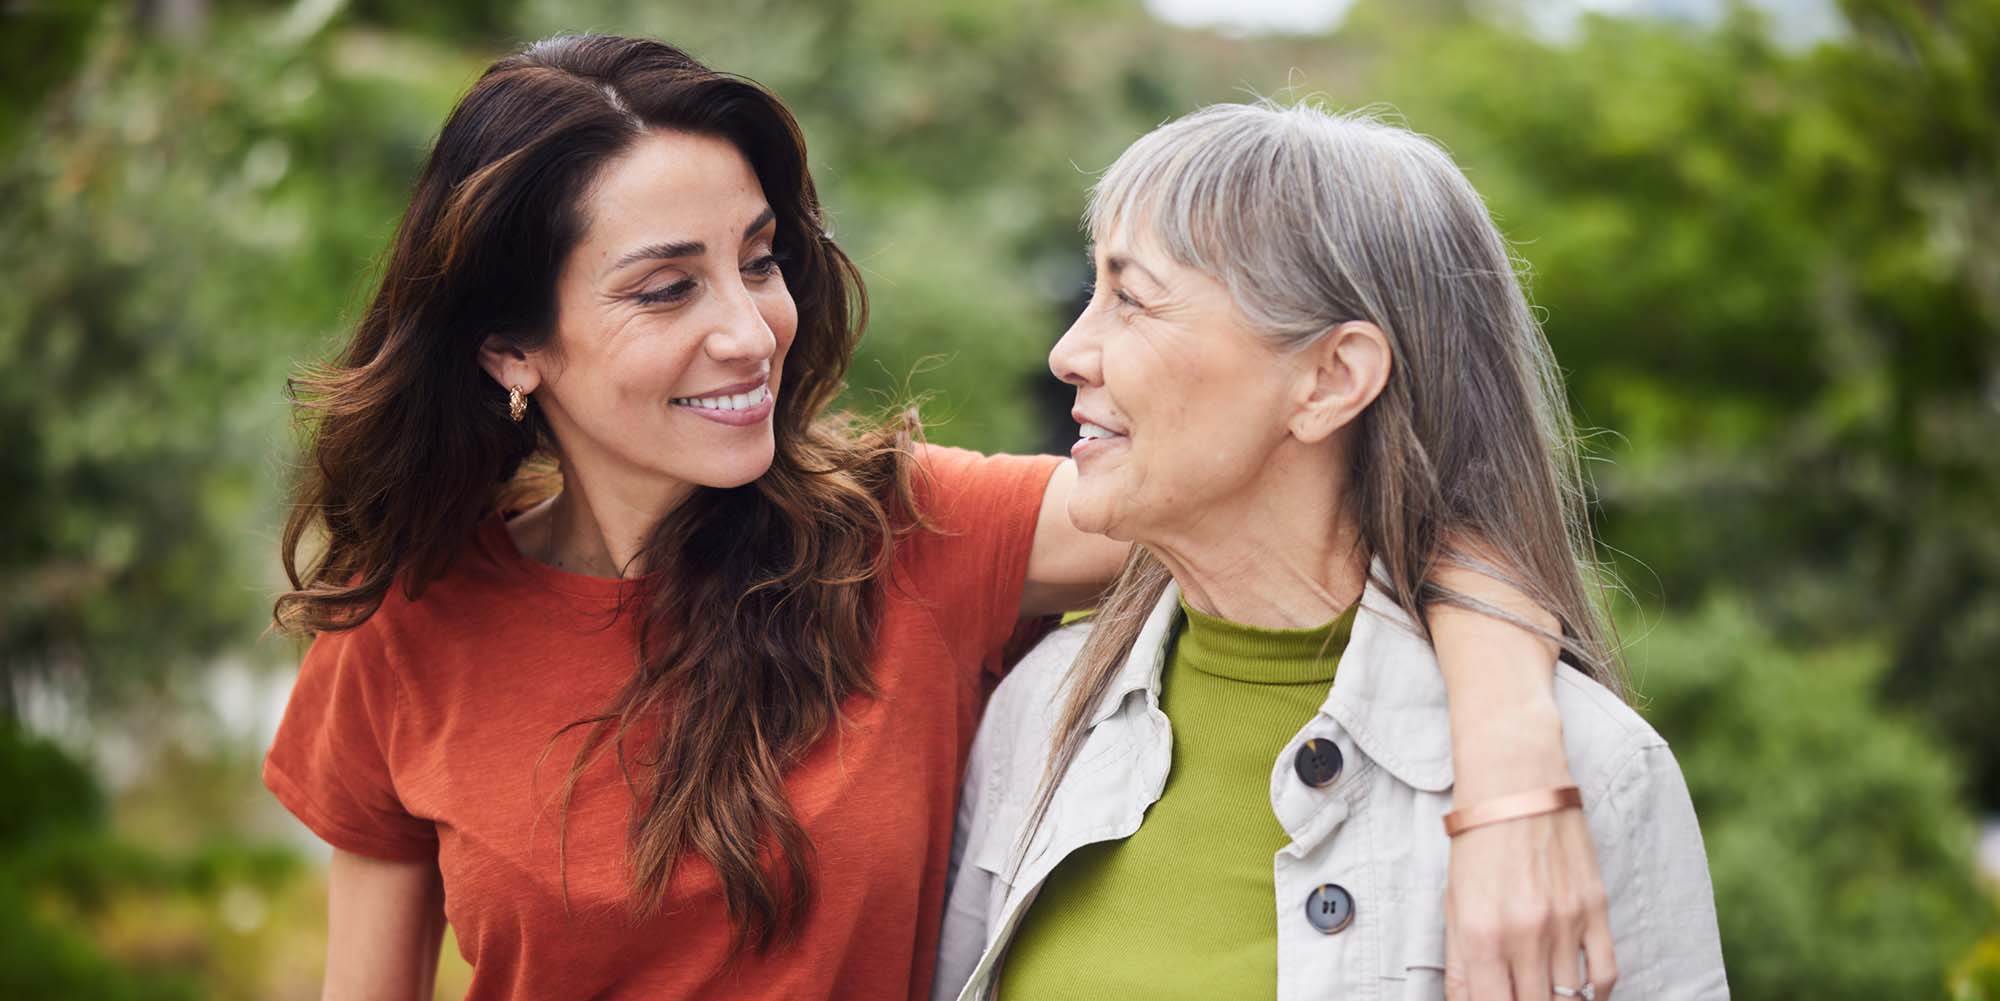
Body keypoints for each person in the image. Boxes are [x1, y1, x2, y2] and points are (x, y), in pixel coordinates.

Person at [264, 35, 1621, 1000]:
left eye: (760, 260)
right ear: (512, 347)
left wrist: (1513, 779)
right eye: (666, 289)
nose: (752, 330)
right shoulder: (403, 631)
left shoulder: (908, 537)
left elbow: (1368, 483)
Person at [934, 103, 1728, 1001]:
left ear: (1330, 378)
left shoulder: (1595, 774)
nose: (1070, 350)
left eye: (1132, 298)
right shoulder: (1040, 714)